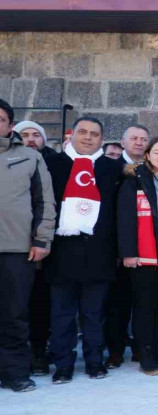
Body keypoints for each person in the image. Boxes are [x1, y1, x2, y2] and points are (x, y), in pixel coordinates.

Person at [45, 117, 123, 384]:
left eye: (95, 134)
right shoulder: (54, 164)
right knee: (62, 314)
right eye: (83, 132)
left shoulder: (112, 168)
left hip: (98, 253)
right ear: (72, 134)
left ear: (102, 139)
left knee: (94, 313)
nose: (88, 138)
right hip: (62, 252)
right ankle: (63, 364)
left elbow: (118, 214)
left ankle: (94, 360)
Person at [0, 99, 56, 392]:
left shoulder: (30, 158)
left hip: (16, 249)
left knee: (14, 315)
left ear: (10, 125)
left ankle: (15, 373)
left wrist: (42, 239)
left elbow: (44, 202)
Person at [117, 137, 158, 376]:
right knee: (145, 306)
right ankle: (146, 354)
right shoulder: (135, 181)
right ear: (147, 155)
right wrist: (128, 252)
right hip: (145, 255)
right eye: (157, 152)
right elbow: (125, 219)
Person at [105, 123, 151, 369]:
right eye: (133, 138)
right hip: (117, 247)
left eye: (143, 139)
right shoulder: (109, 168)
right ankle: (115, 349)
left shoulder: (153, 170)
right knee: (117, 303)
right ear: (122, 143)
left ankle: (140, 347)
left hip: (148, 246)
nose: (139, 142)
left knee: (142, 301)